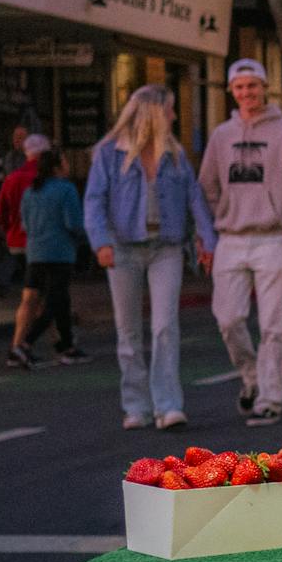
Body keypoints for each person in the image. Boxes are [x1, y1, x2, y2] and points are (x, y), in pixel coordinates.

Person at [199, 58, 282, 428]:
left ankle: (270, 398)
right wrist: (204, 239)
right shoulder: (221, 135)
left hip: (275, 237)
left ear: (264, 87)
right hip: (230, 239)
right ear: (231, 91)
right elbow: (205, 189)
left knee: (273, 324)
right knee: (228, 318)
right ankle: (252, 377)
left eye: (252, 86)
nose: (246, 93)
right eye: (239, 87)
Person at [85, 84, 217, 430]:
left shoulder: (175, 154)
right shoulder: (109, 153)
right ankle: (136, 406)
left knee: (164, 327)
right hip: (122, 248)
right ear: (154, 113)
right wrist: (100, 242)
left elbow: (195, 198)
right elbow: (94, 201)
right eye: (170, 110)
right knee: (127, 330)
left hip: (166, 247)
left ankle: (168, 405)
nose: (174, 116)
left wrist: (208, 240)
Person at [8, 149, 89, 368]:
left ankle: (66, 346)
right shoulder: (66, 189)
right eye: (64, 161)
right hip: (59, 253)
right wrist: (86, 238)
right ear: (56, 167)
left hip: (34, 253)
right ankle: (24, 345)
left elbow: (24, 223)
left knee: (61, 301)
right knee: (54, 301)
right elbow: (73, 223)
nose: (67, 165)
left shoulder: (31, 192)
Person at [0, 133, 48, 298]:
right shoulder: (46, 179)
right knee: (42, 288)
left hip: (16, 238)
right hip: (43, 241)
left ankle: (5, 285)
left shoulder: (12, 179)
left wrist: (7, 229)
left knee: (29, 283)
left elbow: (1, 211)